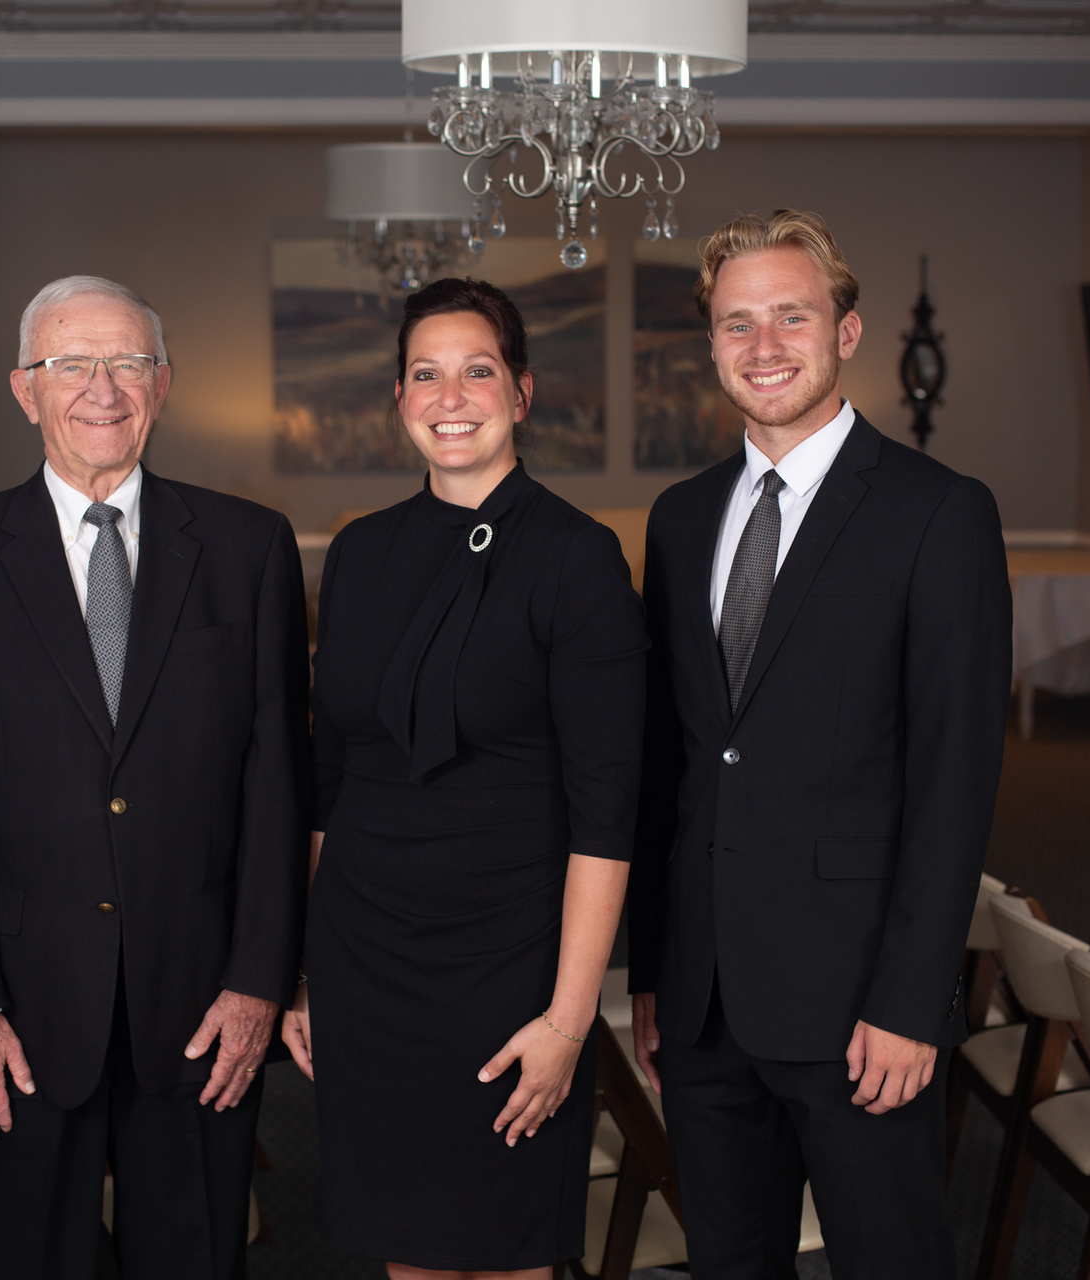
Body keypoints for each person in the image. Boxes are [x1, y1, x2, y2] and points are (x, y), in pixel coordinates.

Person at [629, 209, 1013, 1279]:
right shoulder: (679, 515)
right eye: (735, 323)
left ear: (847, 331)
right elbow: (676, 767)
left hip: (858, 1005)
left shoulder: (940, 515)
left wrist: (908, 999)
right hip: (703, 1003)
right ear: (709, 344)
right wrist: (655, 971)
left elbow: (954, 780)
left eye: (790, 315)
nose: (763, 346)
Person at [0, 275, 311, 1280]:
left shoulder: (247, 546)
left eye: (127, 363)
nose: (101, 387)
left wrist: (261, 978)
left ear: (164, 383)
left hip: (204, 1002)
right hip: (20, 1009)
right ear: (24, 388)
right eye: (70, 364)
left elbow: (278, 780)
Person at [282, 277, 647, 1278]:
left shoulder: (579, 558)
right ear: (399, 398)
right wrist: (306, 969)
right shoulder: (359, 553)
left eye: (477, 369)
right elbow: (332, 774)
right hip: (366, 963)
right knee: (408, 1250)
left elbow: (607, 813)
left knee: (508, 1247)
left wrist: (571, 1021)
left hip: (509, 967)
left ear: (521, 392)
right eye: (427, 374)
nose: (452, 394)